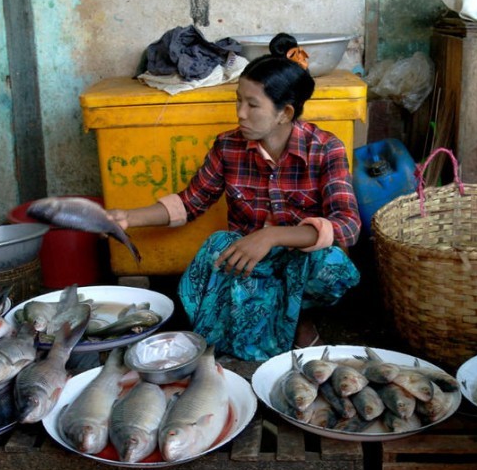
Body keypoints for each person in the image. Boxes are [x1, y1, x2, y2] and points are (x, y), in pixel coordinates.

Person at [109, 34, 361, 360]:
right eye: (238, 101)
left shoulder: (326, 147)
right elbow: (191, 202)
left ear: (284, 113)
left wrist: (272, 237)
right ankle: (261, 325)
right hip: (250, 264)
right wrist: (128, 218)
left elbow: (348, 226)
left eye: (252, 105)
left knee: (333, 263)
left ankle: (300, 317)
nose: (240, 113)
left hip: (301, 263)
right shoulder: (228, 146)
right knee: (216, 247)